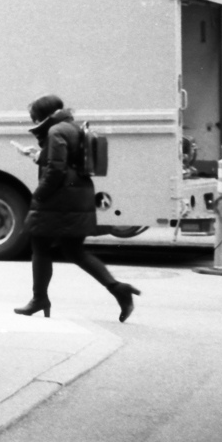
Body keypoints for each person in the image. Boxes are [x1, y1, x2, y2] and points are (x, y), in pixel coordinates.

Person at [14, 94, 140, 322]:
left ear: (43, 115)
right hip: (78, 194)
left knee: (40, 246)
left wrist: (39, 195)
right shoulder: (71, 127)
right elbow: (65, 160)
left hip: (60, 198)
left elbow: (56, 170)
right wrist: (37, 155)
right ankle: (117, 288)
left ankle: (39, 298)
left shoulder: (55, 132)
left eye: (35, 119)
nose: (34, 123)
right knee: (73, 250)